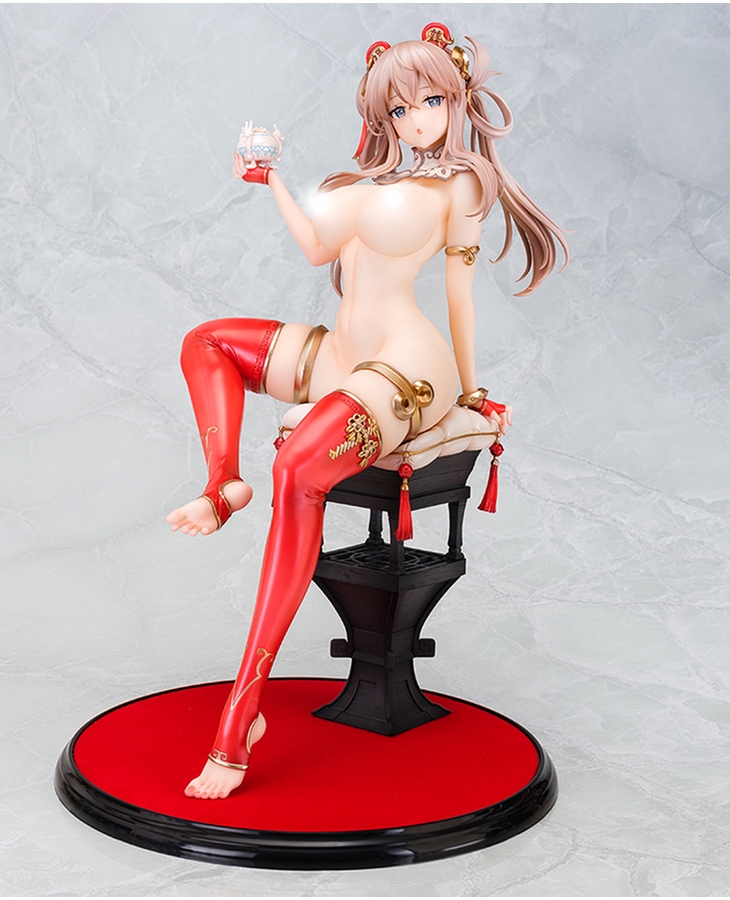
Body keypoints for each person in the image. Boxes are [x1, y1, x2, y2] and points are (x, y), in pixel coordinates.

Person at [166, 24, 568, 799]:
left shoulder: (462, 187)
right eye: (400, 109)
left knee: (296, 470)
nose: (417, 120)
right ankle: (221, 483)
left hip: (408, 364)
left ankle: (241, 712)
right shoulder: (368, 183)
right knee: (206, 343)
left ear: (456, 102)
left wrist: (472, 392)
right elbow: (319, 251)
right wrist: (272, 182)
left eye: (431, 102)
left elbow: (458, 293)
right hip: (342, 354)